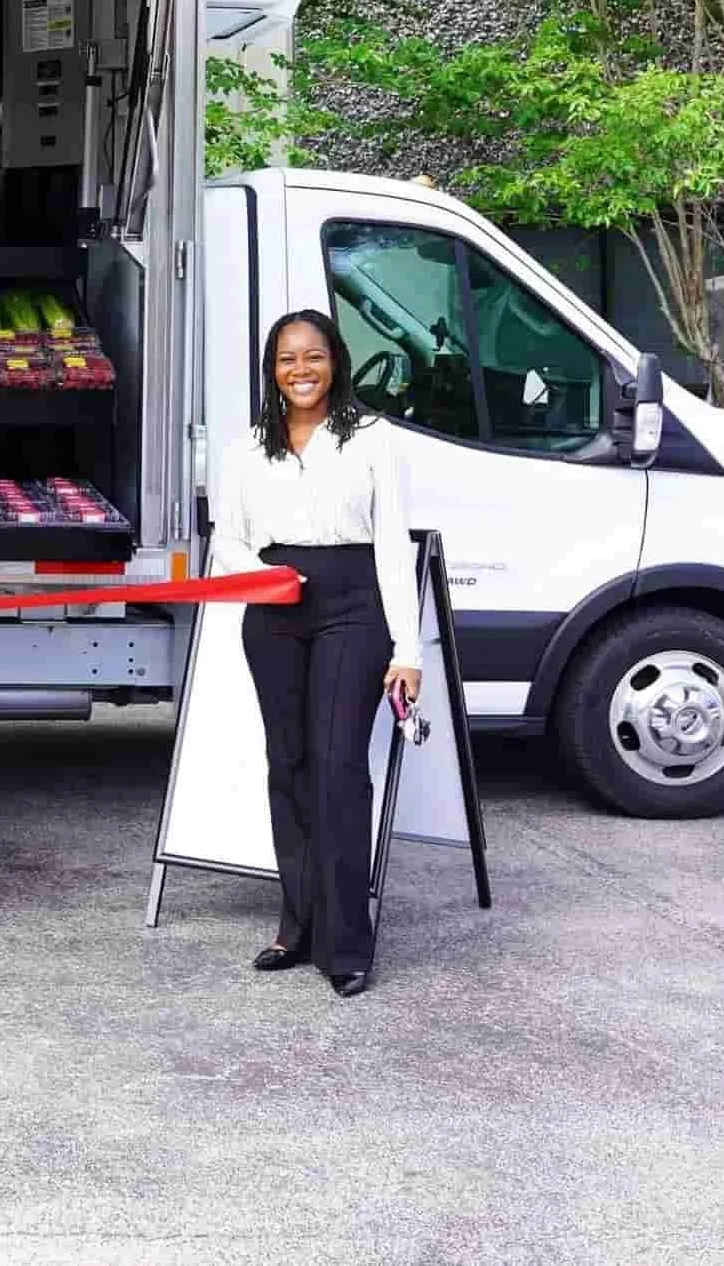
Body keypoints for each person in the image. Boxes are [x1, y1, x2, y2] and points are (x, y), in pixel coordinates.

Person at [211, 308, 422, 998]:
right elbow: (227, 538)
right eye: (285, 359)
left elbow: (393, 543)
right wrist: (262, 570)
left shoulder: (371, 439)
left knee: (337, 768)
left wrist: (408, 647)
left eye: (313, 356)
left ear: (336, 361)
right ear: (271, 370)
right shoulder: (248, 448)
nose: (300, 370)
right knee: (290, 766)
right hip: (275, 606)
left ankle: (346, 942)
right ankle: (295, 927)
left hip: (353, 606)